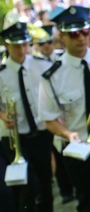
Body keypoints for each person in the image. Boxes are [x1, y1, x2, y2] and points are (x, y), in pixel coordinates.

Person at [39, 6, 90, 212]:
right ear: (62, 36)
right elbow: (49, 119)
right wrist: (67, 133)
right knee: (87, 202)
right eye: (74, 33)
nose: (81, 38)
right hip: (78, 145)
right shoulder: (52, 76)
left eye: (85, 31)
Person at [0, 22, 54, 212]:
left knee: (46, 181)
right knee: (28, 186)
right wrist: (3, 114)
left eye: (25, 45)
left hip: (41, 133)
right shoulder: (1, 73)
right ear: (6, 45)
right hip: (16, 138)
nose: (22, 50)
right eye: (16, 46)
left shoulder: (42, 65)